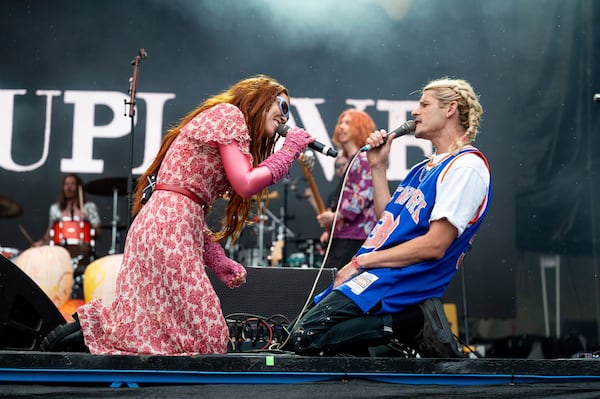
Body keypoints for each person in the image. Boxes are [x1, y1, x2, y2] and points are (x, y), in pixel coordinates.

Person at [41, 74, 313, 355]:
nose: (285, 117)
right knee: (209, 337)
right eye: (282, 107)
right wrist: (289, 149)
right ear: (261, 98)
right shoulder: (229, 115)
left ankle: (83, 333)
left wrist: (216, 257)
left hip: (166, 226)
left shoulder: (228, 127)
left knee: (159, 326)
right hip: (166, 229)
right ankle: (85, 331)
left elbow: (191, 202)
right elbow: (244, 184)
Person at [291, 78, 491, 358]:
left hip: (403, 279)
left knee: (306, 338)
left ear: (450, 109)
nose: (414, 112)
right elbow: (387, 221)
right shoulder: (421, 168)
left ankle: (413, 324)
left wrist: (360, 262)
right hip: (378, 274)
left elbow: (435, 245)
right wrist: (378, 166)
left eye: (424, 104)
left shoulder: (466, 167)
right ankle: (390, 349)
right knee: (297, 336)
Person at [313, 109, 378, 270]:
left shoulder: (364, 158)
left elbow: (361, 198)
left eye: (348, 123)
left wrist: (335, 217)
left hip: (356, 237)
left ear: (360, 127)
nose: (341, 126)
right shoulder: (350, 160)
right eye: (340, 122)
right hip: (345, 234)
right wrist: (333, 228)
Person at [33, 173, 101, 298]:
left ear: (78, 187)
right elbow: (51, 232)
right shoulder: (56, 208)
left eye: (72, 184)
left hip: (82, 252)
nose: (69, 187)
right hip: (60, 252)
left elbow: (97, 232)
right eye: (66, 184)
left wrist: (87, 221)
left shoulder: (88, 207)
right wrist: (41, 242)